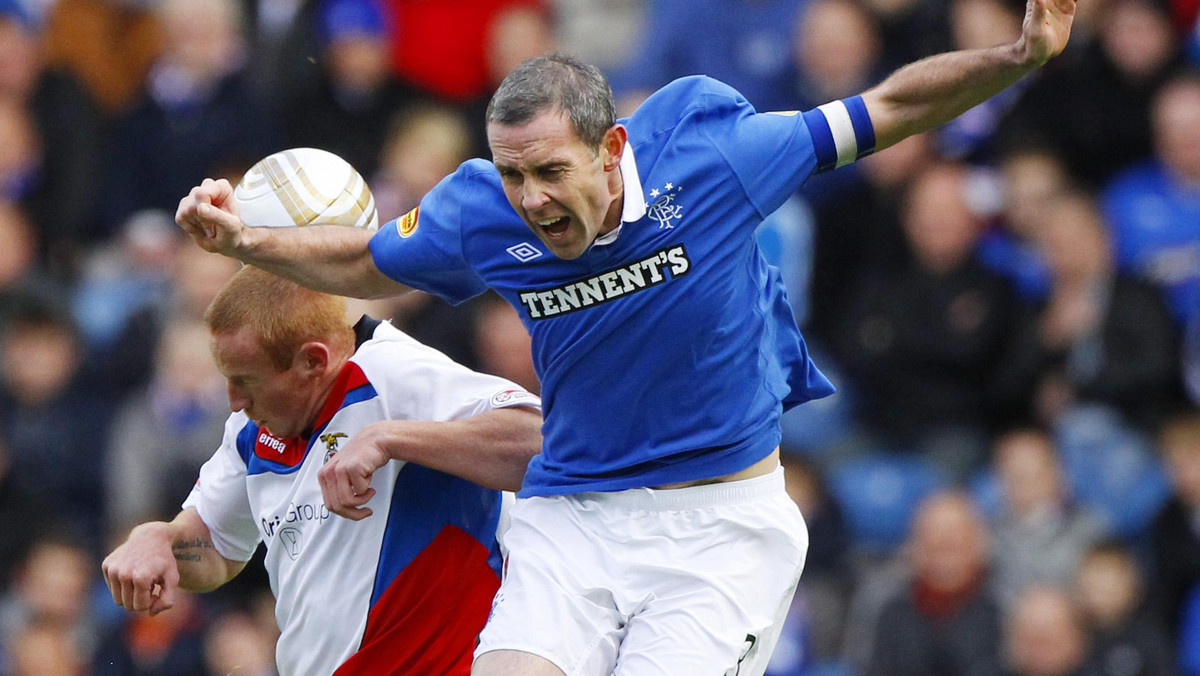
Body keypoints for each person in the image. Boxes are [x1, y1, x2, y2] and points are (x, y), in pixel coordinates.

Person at [175, 0, 1079, 670]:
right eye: (514, 173)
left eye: (551, 172)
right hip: (575, 514)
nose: (531, 199)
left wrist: (1017, 53)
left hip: (719, 527)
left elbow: (889, 107)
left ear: (611, 152)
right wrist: (246, 241)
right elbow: (368, 265)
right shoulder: (484, 214)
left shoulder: (717, 160)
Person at [100, 265, 542, 676]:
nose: (232, 399)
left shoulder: (394, 374)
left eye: (247, 381)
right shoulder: (251, 427)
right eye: (227, 378)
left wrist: (391, 438)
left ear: (313, 361)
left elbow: (542, 442)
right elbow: (216, 551)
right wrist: (158, 540)